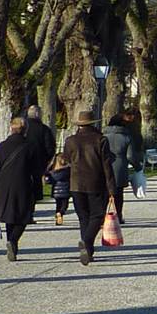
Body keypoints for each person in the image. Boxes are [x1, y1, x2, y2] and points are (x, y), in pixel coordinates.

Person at [61, 109, 116, 265]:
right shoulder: (100, 140)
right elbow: (107, 166)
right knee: (97, 215)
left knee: (83, 217)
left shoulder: (70, 141)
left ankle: (88, 251)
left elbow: (65, 159)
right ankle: (87, 241)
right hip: (95, 182)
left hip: (76, 183)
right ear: (93, 124)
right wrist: (111, 187)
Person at [0, 117, 40, 260]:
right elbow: (36, 171)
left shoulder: (1, 146)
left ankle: (11, 242)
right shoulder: (30, 146)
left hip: (2, 185)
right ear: (25, 130)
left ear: (11, 128)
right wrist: (38, 191)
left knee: (9, 216)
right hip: (23, 184)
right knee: (24, 216)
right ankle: (13, 240)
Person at [24, 105, 62, 223]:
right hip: (37, 163)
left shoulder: (23, 128)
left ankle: (23, 213)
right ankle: (30, 213)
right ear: (37, 114)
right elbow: (50, 148)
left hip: (22, 163)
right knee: (34, 189)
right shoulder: (43, 129)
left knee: (23, 188)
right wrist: (47, 162)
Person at [102, 112, 134, 222]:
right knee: (119, 194)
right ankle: (118, 215)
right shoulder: (126, 137)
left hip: (105, 165)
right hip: (120, 166)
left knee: (105, 192)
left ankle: (102, 216)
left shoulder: (103, 136)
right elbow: (130, 156)